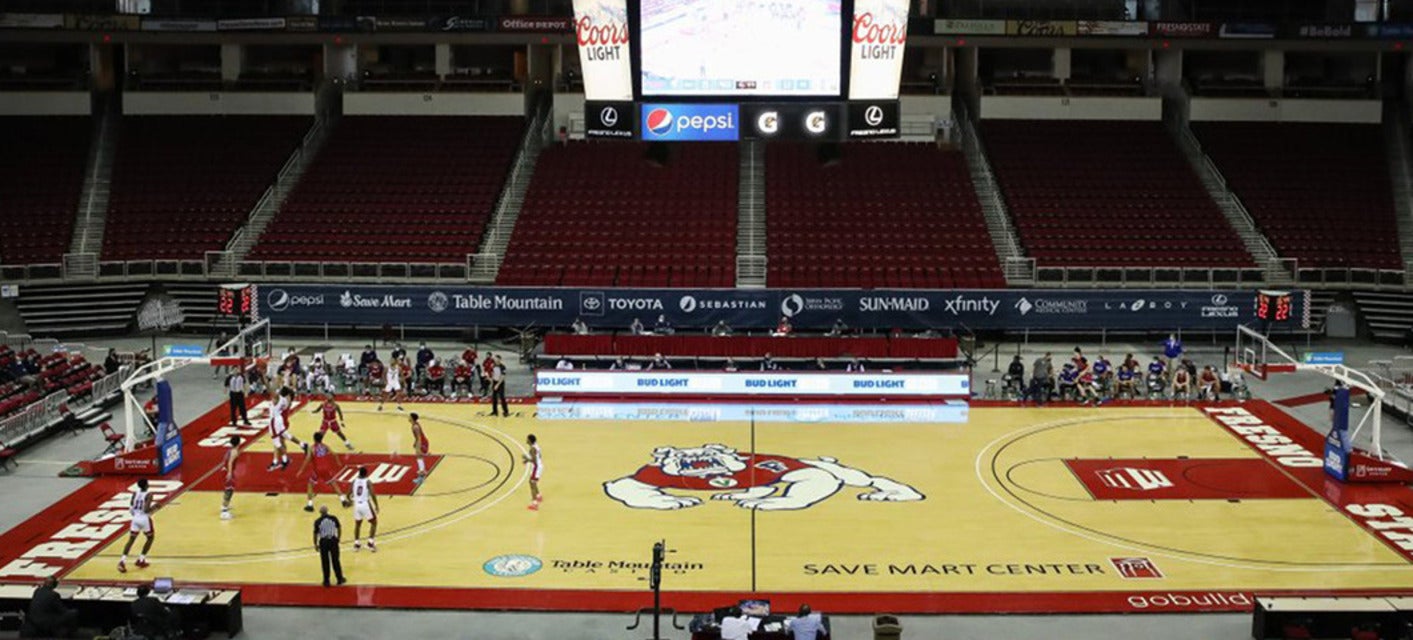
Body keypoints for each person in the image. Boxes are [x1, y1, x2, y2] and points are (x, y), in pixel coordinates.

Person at [298, 431, 345, 513]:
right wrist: (338, 462)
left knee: (310, 484)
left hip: (317, 469)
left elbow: (307, 459)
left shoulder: (312, 448)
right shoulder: (325, 446)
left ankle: (310, 505)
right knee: (333, 484)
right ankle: (343, 500)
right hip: (326, 468)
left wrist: (301, 470)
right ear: (321, 439)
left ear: (314, 439)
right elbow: (334, 454)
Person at [118, 478, 156, 573]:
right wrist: (155, 507)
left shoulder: (134, 494)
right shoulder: (149, 494)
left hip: (135, 519)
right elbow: (146, 510)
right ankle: (141, 559)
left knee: (131, 540)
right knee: (150, 538)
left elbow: (131, 508)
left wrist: (136, 515)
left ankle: (122, 561)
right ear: (147, 485)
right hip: (144, 519)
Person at [267, 388, 305, 471]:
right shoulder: (286, 401)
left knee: (277, 442)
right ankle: (301, 444)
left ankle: (278, 460)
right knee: (283, 439)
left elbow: (275, 396)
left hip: (279, 422)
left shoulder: (282, 400)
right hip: (282, 421)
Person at [312, 505, 346, 587]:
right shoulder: (333, 518)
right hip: (333, 540)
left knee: (325, 562)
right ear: (327, 511)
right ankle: (339, 579)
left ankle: (326, 581)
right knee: (336, 560)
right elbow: (339, 528)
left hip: (323, 542)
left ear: (320, 513)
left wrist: (315, 544)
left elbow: (315, 534)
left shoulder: (317, 521)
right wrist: (338, 538)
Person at [349, 466, 379, 552]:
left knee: (358, 524)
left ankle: (356, 544)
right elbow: (372, 494)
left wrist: (350, 500)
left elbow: (348, 494)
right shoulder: (367, 481)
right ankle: (370, 543)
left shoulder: (354, 481)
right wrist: (376, 505)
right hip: (365, 504)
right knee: (374, 522)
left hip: (356, 505)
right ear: (366, 473)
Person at [221, 435, 240, 520]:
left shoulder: (229, 450)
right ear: (239, 443)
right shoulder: (234, 452)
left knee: (228, 489)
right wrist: (229, 473)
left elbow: (225, 460)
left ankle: (225, 505)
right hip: (229, 472)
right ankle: (224, 511)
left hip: (226, 470)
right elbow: (230, 462)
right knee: (229, 490)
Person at [410, 413, 430, 484]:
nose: (408, 418)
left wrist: (418, 447)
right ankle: (423, 470)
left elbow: (419, 438)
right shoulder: (415, 424)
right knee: (419, 457)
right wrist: (415, 443)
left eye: (409, 417)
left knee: (419, 457)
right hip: (422, 441)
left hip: (422, 442)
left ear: (412, 418)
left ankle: (421, 477)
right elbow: (418, 437)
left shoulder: (415, 427)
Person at [524, 434, 543, 510]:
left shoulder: (532, 449)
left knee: (531, 483)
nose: (526, 440)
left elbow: (534, 461)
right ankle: (538, 496)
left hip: (536, 467)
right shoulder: (536, 446)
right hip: (539, 466)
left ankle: (534, 504)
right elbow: (540, 456)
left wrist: (527, 460)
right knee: (533, 482)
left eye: (527, 439)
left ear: (530, 441)